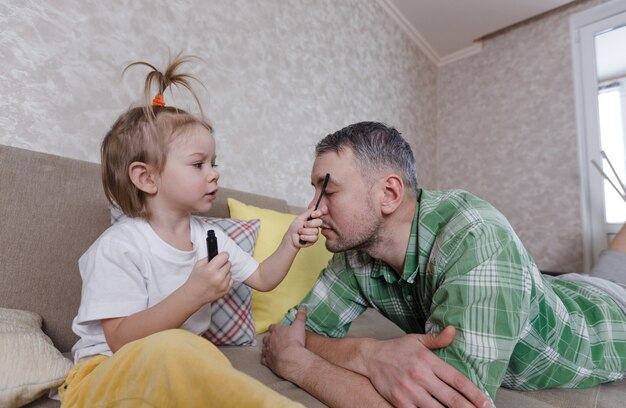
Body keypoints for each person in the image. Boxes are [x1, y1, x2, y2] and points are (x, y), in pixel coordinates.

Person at [261, 121, 626, 408]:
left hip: (608, 312)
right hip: (558, 285)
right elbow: (292, 332)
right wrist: (367, 353)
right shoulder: (356, 251)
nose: (313, 209)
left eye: (328, 190)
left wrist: (300, 365)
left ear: (389, 194)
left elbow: (445, 403)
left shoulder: (477, 235)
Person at [59, 55, 321, 408]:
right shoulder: (119, 246)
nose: (214, 174)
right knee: (180, 348)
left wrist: (291, 241)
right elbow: (121, 339)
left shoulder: (208, 236)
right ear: (147, 178)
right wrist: (193, 294)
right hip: (104, 375)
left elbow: (262, 277)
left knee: (196, 353)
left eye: (214, 163)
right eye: (198, 164)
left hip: (174, 367)